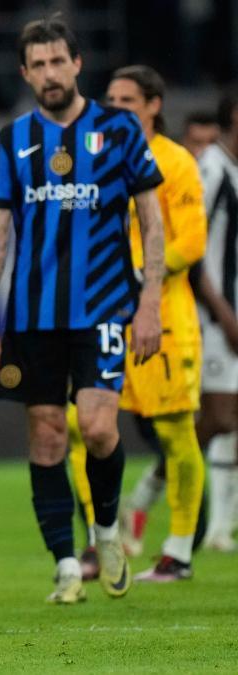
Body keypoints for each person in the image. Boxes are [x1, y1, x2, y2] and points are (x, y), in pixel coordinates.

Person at [0, 17, 165, 604]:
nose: (51, 73)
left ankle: (105, 528)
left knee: (100, 427)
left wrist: (150, 301)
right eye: (39, 65)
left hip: (104, 307)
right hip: (32, 317)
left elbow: (152, 223)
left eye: (60, 61)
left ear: (78, 65)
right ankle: (63, 562)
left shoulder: (121, 130)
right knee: (48, 436)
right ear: (25, 73)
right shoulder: (11, 140)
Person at [65, 65, 207, 582]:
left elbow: (191, 243)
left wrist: (134, 274)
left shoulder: (176, 163)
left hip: (162, 319)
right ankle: (96, 540)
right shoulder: (96, 159)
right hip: (101, 319)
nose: (116, 107)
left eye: (128, 99)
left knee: (174, 434)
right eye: (111, 98)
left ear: (153, 105)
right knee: (82, 429)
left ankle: (179, 551)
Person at [194, 90, 238, 552]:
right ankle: (145, 494)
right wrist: (223, 313)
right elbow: (192, 248)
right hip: (215, 314)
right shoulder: (211, 168)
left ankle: (222, 529)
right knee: (219, 419)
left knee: (233, 420)